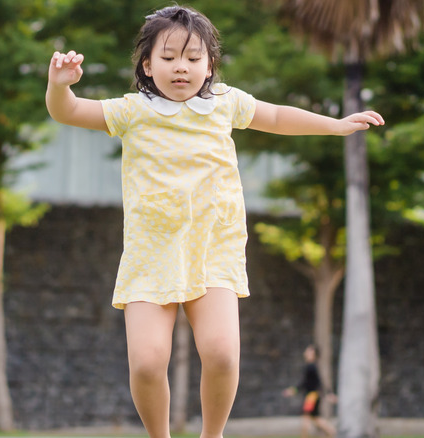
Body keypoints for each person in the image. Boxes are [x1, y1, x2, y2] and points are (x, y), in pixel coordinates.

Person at [45, 5, 383, 438]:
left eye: (193, 58)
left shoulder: (226, 104)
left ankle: (213, 435)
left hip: (213, 250)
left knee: (222, 355)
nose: (180, 67)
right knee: (147, 362)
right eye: (167, 58)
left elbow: (277, 117)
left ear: (209, 67)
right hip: (152, 254)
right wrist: (59, 87)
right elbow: (68, 112)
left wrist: (335, 126)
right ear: (147, 65)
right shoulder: (133, 111)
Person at [283, 345, 338, 438]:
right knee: (316, 418)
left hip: (311, 396)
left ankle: (331, 432)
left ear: (313, 355)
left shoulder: (311, 367)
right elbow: (314, 382)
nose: (306, 353)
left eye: (309, 351)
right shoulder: (311, 366)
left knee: (306, 418)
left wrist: (294, 390)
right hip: (312, 396)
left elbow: (313, 382)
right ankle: (333, 432)